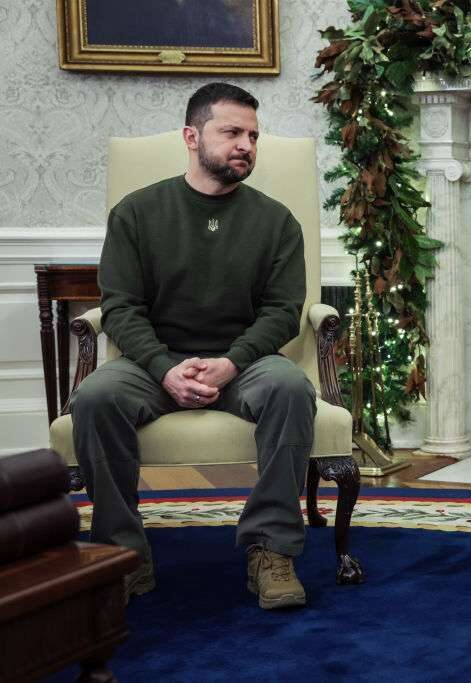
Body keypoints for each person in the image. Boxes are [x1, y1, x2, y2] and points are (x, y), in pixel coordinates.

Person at [70, 82, 315, 610]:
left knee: (291, 386)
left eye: (252, 135)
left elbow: (281, 312)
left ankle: (271, 550)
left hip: (243, 362)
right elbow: (121, 309)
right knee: (94, 397)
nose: (245, 144)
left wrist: (230, 364)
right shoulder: (138, 213)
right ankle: (122, 554)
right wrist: (164, 369)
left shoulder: (275, 221)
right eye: (231, 132)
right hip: (153, 362)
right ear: (191, 136)